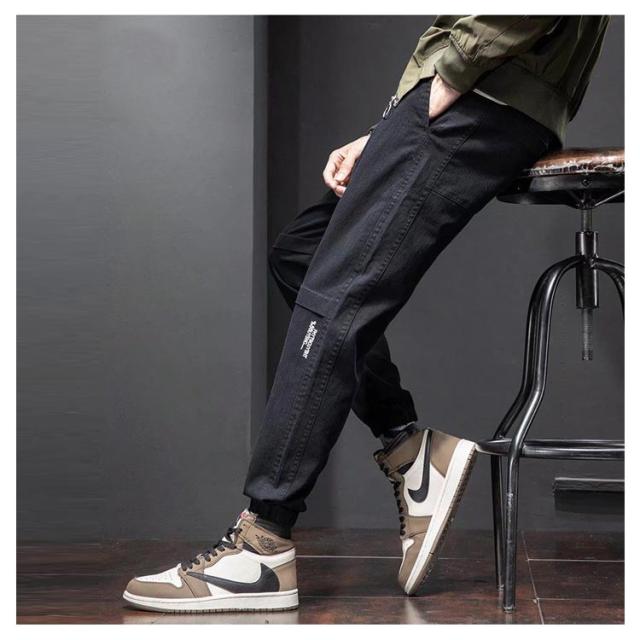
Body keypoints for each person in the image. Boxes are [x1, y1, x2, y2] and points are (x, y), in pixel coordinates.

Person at [123, 15, 610, 613]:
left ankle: (262, 544)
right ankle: (411, 453)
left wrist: (446, 81)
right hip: (466, 99)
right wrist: (389, 128)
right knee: (302, 256)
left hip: (480, 97)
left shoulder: (469, 81)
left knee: (335, 298)